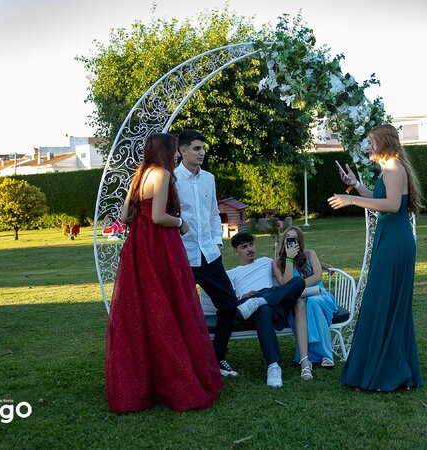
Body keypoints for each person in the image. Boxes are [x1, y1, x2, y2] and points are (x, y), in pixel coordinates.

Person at [105, 133, 222, 413]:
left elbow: (126, 216)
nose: (176, 155)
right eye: (173, 150)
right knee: (169, 306)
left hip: (139, 246)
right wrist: (180, 223)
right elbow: (159, 216)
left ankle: (144, 383)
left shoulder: (140, 175)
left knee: (145, 309)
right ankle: (175, 380)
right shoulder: (162, 174)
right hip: (160, 246)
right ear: (165, 151)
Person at [328, 124, 424, 392]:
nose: (367, 146)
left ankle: (387, 372)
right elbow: (378, 200)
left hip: (395, 242)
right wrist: (356, 185)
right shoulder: (390, 167)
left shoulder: (393, 166)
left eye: (371, 141)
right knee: (383, 301)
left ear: (383, 142)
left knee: (382, 302)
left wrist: (350, 200)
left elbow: (392, 206)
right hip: (390, 238)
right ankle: (385, 367)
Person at [175, 129, 239, 378]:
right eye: (196, 148)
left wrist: (217, 243)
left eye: (203, 148)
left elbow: (213, 214)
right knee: (182, 312)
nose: (201, 153)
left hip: (210, 255)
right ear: (183, 151)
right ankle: (185, 363)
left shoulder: (208, 178)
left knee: (229, 304)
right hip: (183, 256)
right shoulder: (172, 179)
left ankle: (218, 356)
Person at [227, 232, 306, 387]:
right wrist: (243, 296)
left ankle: (261, 300)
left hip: (272, 305)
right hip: (248, 307)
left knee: (298, 282)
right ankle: (273, 366)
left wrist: (322, 265)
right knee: (263, 308)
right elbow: (229, 301)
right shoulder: (231, 274)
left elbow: (290, 271)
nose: (250, 249)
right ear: (236, 252)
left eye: (251, 245)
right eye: (244, 247)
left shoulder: (266, 261)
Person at [273, 226, 339, 370]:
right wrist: (289, 259)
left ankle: (325, 354)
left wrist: (297, 287)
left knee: (313, 302)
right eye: (288, 238)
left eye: (295, 239)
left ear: (300, 242)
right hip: (298, 302)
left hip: (319, 295)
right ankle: (320, 354)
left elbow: (317, 277)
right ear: (284, 241)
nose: (291, 241)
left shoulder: (310, 254)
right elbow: (286, 284)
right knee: (305, 304)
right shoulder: (277, 263)